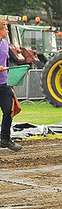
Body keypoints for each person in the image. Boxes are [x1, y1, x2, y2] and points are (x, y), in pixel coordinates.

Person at [0, 20, 21, 152]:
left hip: (4, 84)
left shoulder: (5, 44)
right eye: (5, 29)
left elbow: (7, 61)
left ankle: (5, 139)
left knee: (9, 111)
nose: (8, 31)